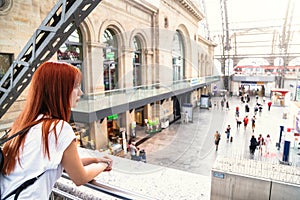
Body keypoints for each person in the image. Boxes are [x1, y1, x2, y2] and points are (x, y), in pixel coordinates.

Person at [0, 61, 113, 199]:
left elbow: (61, 162)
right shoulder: (59, 129)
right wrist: (102, 164)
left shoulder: (28, 124)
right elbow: (80, 177)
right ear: (58, 90)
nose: (81, 92)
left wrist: (94, 159)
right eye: (76, 86)